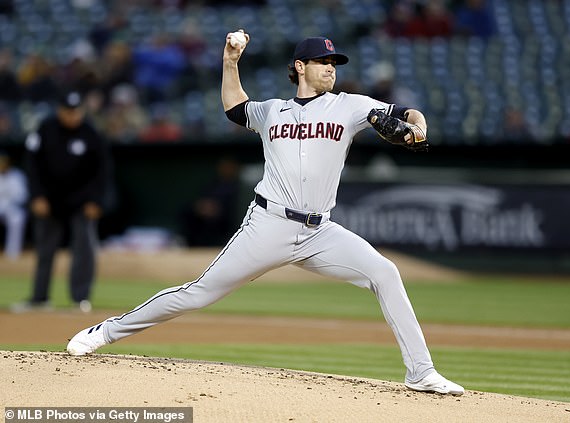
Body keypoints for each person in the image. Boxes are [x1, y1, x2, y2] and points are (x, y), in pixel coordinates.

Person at [67, 33, 464, 396]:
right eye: (323, 61)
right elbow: (235, 108)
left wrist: (417, 131)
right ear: (299, 67)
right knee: (198, 293)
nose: (331, 68)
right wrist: (230, 61)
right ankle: (105, 332)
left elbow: (411, 115)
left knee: (385, 272)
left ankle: (421, 373)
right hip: (268, 225)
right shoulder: (272, 111)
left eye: (334, 63)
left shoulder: (351, 106)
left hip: (320, 232)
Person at [11, 90, 111, 313]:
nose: (72, 115)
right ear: (60, 110)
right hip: (49, 200)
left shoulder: (91, 133)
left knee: (84, 249)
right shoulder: (46, 129)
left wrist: (96, 200)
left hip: (81, 201)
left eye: (76, 111)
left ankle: (80, 299)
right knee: (45, 250)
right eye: (68, 111)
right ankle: (39, 298)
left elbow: (102, 171)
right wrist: (36, 196)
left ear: (82, 111)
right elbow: (32, 165)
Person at [0, 150, 28, 260]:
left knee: (17, 218)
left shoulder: (17, 175)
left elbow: (22, 196)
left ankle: (12, 252)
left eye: (3, 163)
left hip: (11, 207)